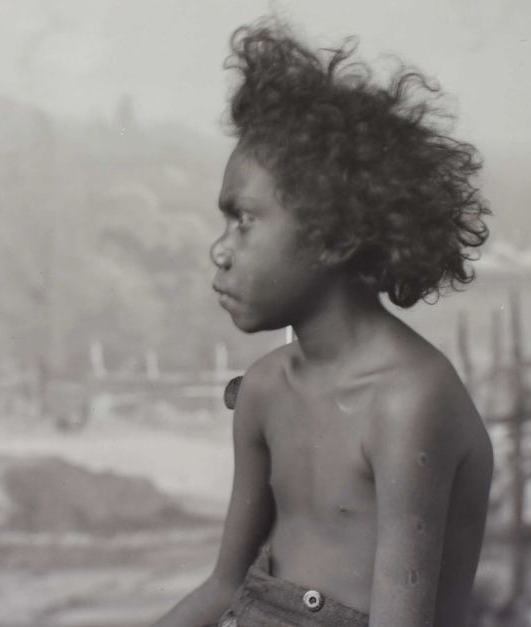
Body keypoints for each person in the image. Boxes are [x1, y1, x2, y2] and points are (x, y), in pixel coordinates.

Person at [153, 19, 493, 627]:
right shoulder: (263, 389)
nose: (220, 249)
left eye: (245, 221)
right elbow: (225, 585)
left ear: (334, 235)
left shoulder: (408, 401)